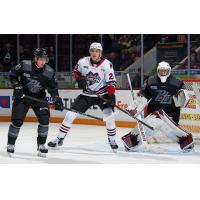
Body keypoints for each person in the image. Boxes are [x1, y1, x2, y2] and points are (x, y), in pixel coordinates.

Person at [48, 42, 118, 151]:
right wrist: (79, 79)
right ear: (90, 52)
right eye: (92, 51)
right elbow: (76, 72)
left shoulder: (107, 64)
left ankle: (112, 139)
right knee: (70, 115)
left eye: (97, 51)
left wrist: (111, 96)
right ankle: (59, 138)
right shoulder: (82, 62)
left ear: (100, 53)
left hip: (102, 95)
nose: (94, 53)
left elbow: (111, 82)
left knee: (109, 117)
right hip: (86, 95)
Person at [122, 61, 194, 152]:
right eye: (161, 71)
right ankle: (187, 141)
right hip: (153, 114)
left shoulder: (177, 82)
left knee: (161, 121)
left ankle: (131, 141)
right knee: (155, 121)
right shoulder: (150, 81)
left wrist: (183, 97)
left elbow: (184, 98)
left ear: (169, 71)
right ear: (157, 71)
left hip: (171, 115)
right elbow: (142, 96)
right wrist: (133, 107)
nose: (163, 73)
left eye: (165, 71)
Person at [7, 48, 64, 157]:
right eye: (41, 59)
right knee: (17, 121)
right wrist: (16, 85)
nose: (43, 62)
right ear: (36, 58)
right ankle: (10, 144)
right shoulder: (24, 65)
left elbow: (53, 89)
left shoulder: (49, 72)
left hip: (39, 98)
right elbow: (12, 75)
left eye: (45, 59)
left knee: (44, 120)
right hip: (23, 96)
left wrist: (57, 99)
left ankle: (41, 145)